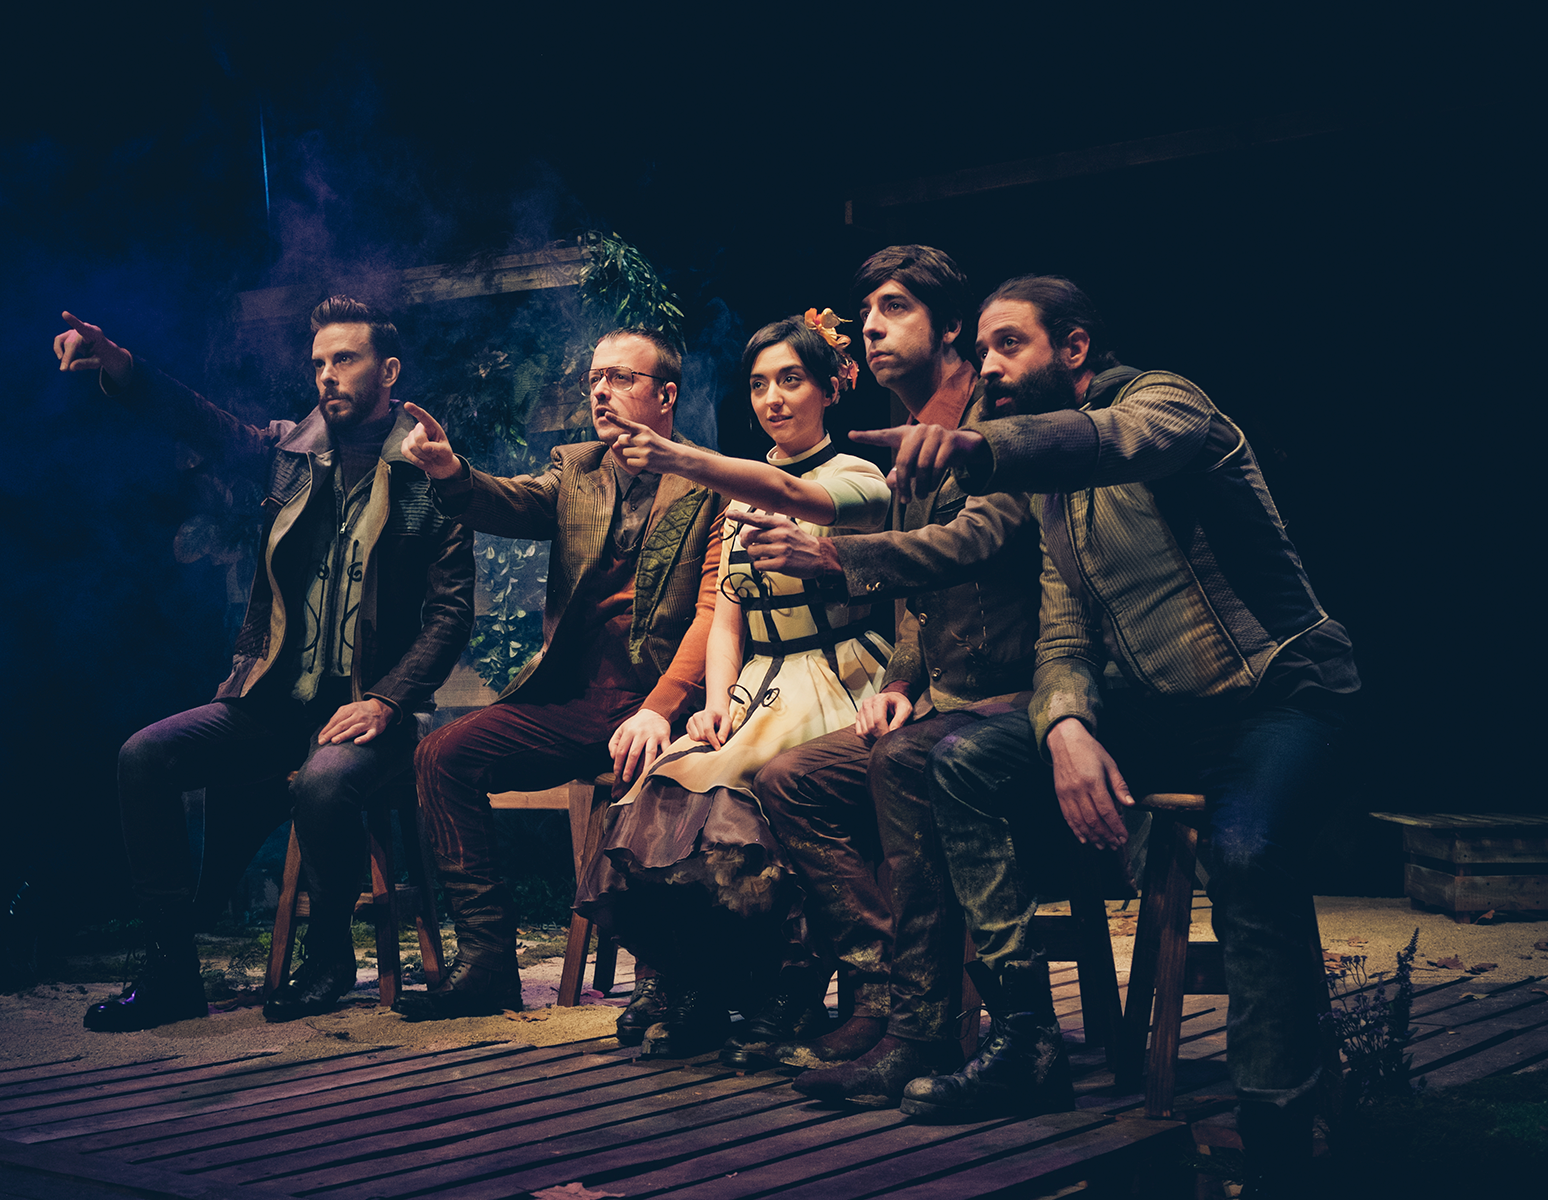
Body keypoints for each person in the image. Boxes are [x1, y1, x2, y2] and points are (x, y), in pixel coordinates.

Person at [871, 275, 1357, 1195]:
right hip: (1162, 718)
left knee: (1246, 853)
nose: (988, 367)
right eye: (982, 350)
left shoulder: (1170, 403)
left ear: (1076, 348)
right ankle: (1025, 1038)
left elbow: (1117, 440)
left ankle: (1279, 1139)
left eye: (1009, 344)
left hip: (1280, 699)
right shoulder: (1053, 499)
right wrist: (1064, 726)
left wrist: (978, 445)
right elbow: (1064, 640)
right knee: (964, 761)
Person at [52, 298, 473, 1031]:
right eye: (318, 363)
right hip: (276, 703)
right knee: (143, 756)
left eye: (344, 359)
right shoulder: (288, 452)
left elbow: (450, 614)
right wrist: (122, 367)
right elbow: (201, 423)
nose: (327, 375)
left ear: (388, 371)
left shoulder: (429, 469)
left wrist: (388, 700)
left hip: (373, 716)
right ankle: (171, 972)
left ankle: (329, 956)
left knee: (324, 779)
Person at [722, 246, 1045, 1104]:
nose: (870, 327)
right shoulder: (905, 429)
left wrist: (835, 560)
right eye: (865, 312)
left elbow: (976, 541)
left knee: (902, 762)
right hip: (944, 697)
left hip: (1020, 693)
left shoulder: (995, 419)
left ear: (951, 327)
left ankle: (925, 1026)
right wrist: (900, 681)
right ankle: (881, 992)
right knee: (791, 778)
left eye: (895, 308)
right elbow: (918, 611)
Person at [571, 310, 893, 1059]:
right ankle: (692, 979)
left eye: (791, 380)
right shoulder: (737, 498)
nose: (773, 399)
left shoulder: (857, 478)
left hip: (834, 671)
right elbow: (725, 617)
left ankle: (788, 984)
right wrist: (714, 706)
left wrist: (683, 459)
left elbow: (795, 494)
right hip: (757, 679)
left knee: (749, 794)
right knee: (667, 779)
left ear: (831, 389)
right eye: (758, 384)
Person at [397, 327, 728, 1020]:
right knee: (441, 755)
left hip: (665, 703)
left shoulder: (711, 481)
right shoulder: (578, 468)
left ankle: (664, 980)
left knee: (658, 775)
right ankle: (488, 964)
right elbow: (510, 501)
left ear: (666, 395)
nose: (601, 391)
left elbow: (710, 613)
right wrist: (450, 473)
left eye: (621, 378)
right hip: (578, 701)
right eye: (595, 378)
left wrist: (663, 707)